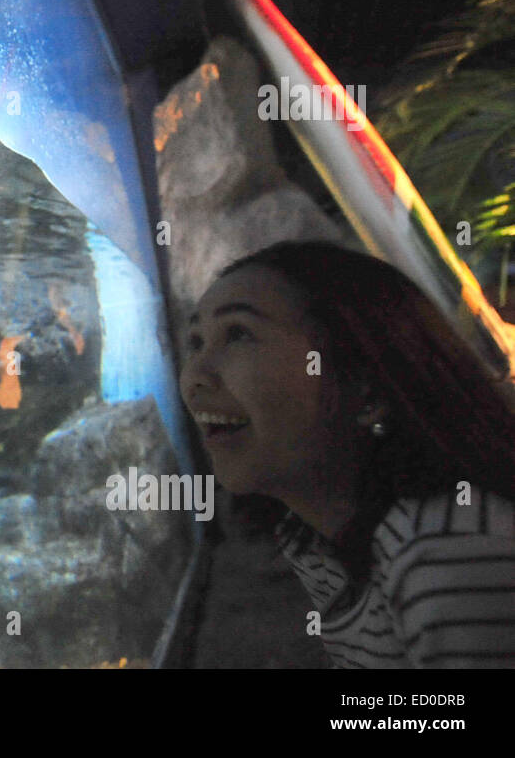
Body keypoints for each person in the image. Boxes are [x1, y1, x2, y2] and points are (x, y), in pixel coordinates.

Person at [178, 239, 515, 667]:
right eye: (195, 341)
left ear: (366, 388)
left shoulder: (443, 556)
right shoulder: (311, 539)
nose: (195, 378)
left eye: (239, 334)